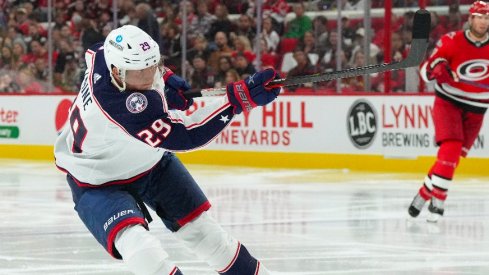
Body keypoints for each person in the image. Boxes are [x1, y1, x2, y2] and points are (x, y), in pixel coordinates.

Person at [54, 25, 281, 275]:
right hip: (96, 181)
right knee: (138, 246)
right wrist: (237, 101)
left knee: (204, 233)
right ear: (117, 72)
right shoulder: (124, 105)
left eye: (154, 65)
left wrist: (166, 78)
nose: (150, 75)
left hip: (150, 163)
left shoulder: (103, 56)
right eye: (142, 71)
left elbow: (97, 50)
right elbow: (186, 134)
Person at [408, 1, 489, 222]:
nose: (484, 22)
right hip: (448, 102)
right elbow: (425, 71)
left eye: (487, 18)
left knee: (453, 157)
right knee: (451, 146)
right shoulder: (451, 40)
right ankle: (438, 202)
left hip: (478, 108)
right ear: (471, 18)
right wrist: (438, 69)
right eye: (480, 17)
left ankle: (423, 194)